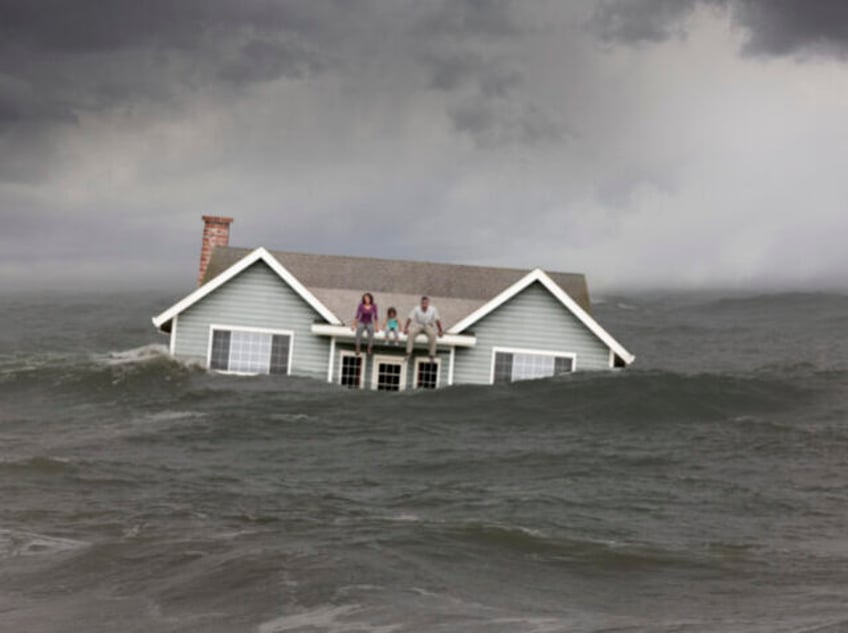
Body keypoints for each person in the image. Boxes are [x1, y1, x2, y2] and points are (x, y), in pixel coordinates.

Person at [404, 295, 444, 361]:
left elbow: (437, 320)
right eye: (423, 303)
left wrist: (440, 331)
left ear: (428, 303)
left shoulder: (433, 309)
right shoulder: (416, 309)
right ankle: (408, 353)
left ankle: (432, 355)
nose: (424, 304)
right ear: (421, 303)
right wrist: (406, 328)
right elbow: (410, 318)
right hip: (418, 324)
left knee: (433, 335)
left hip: (428, 325)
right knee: (411, 333)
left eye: (426, 303)